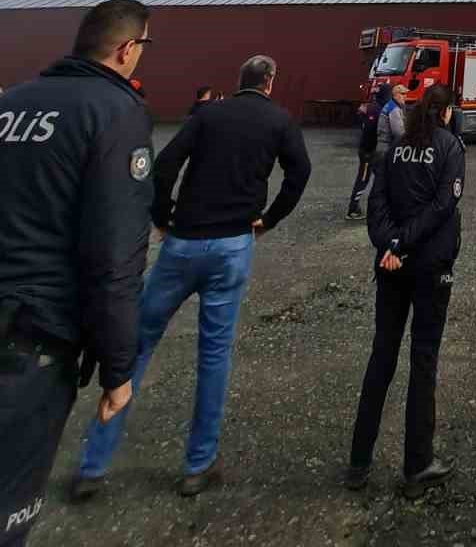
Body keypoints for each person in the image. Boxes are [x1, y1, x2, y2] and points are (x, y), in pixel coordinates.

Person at [70, 54, 311, 500]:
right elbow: (300, 174)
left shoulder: (208, 114)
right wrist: (269, 219)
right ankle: (197, 467)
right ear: (271, 82)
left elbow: (163, 166)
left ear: (238, 81)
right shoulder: (279, 120)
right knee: (214, 356)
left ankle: (92, 466)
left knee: (134, 348)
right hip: (233, 245)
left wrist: (163, 218)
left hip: (182, 244)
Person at [0, 0, 154, 543]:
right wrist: (118, 368)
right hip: (32, 339)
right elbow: (114, 255)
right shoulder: (114, 113)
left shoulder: (13, 103)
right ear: (128, 48)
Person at [345, 83, 465, 497]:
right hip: (430, 268)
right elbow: (442, 205)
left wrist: (388, 244)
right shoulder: (450, 148)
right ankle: (417, 466)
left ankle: (358, 462)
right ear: (446, 112)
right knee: (423, 360)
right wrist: (404, 242)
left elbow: (377, 204)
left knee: (382, 356)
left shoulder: (394, 150)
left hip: (391, 268)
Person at [347, 84, 391, 220]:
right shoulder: (379, 110)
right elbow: (372, 132)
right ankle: (353, 209)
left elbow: (360, 118)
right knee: (363, 179)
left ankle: (379, 207)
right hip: (369, 151)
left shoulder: (370, 107)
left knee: (381, 178)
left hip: (369, 150)